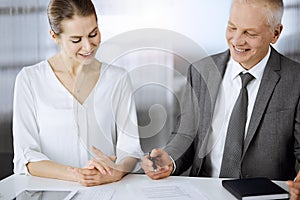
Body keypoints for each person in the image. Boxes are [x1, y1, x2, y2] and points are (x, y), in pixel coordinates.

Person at [142, 0, 300, 199]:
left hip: (266, 195)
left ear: (276, 33)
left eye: (249, 33)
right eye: (232, 27)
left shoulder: (296, 80)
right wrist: (168, 159)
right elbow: (185, 135)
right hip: (204, 192)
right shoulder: (202, 71)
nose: (236, 40)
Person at [13, 0, 143, 187]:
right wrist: (77, 175)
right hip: (50, 192)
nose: (88, 47)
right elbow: (26, 156)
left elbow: (131, 149)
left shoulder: (117, 79)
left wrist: (116, 172)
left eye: (93, 34)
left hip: (106, 190)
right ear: (54, 36)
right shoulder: (30, 80)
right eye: (76, 40)